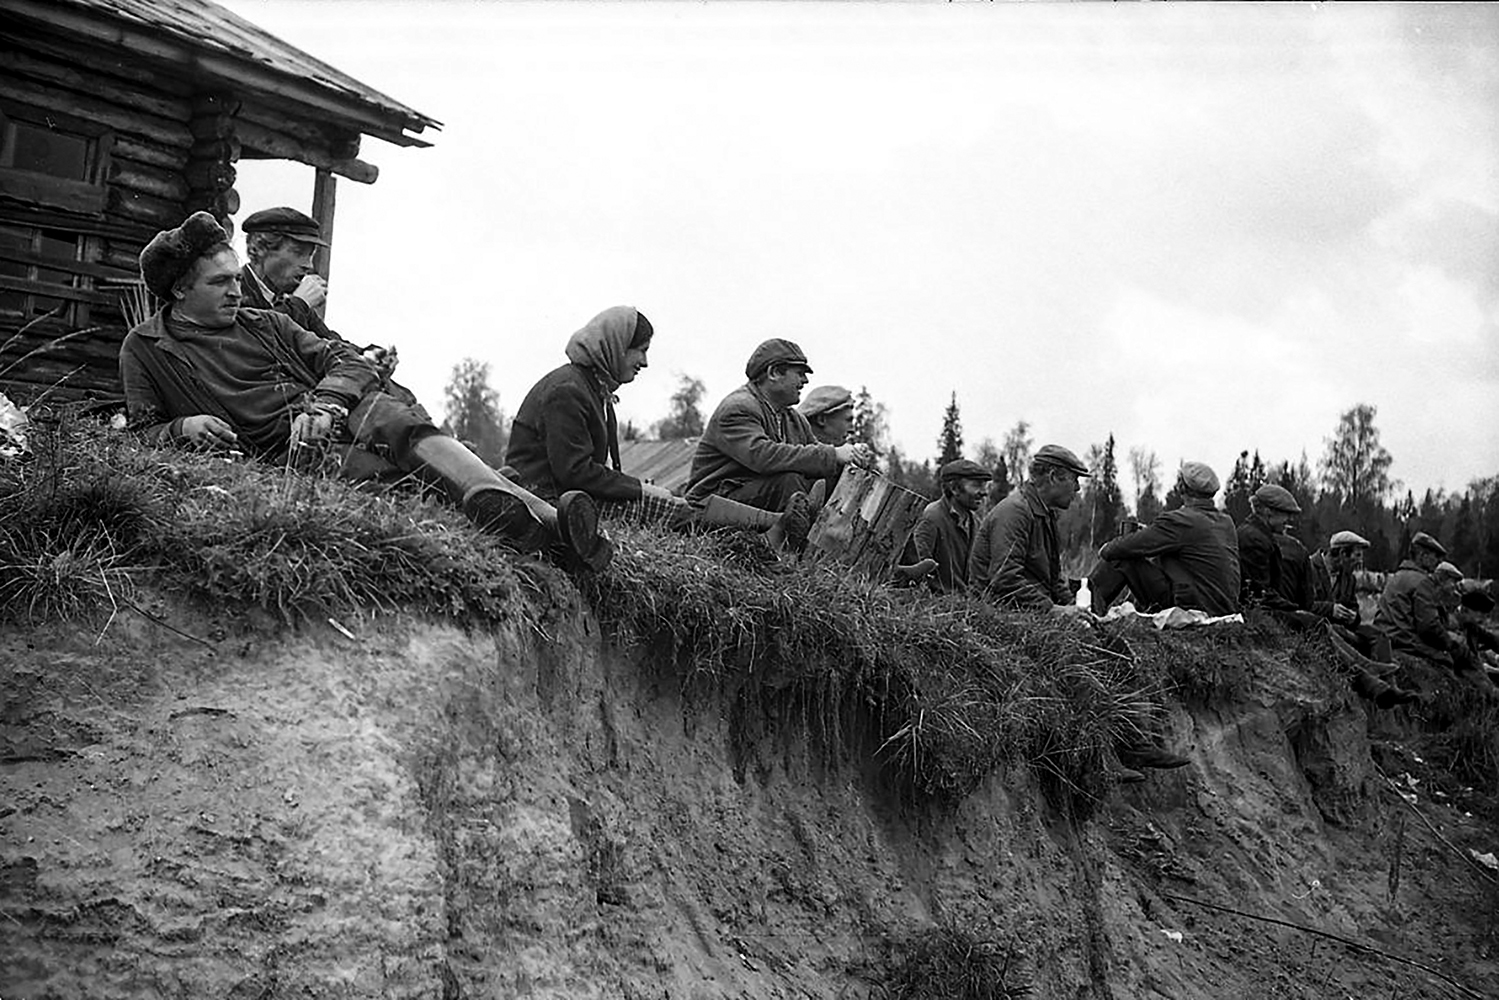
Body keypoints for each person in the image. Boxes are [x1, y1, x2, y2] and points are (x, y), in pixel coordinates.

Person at [119, 211, 611, 571]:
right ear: (180, 290)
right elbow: (142, 432)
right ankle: (549, 531)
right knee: (392, 477)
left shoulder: (266, 322)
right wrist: (184, 425)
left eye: (234, 278)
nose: (233, 291)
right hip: (282, 450)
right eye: (218, 282)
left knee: (392, 417)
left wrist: (329, 405)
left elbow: (346, 361)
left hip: (329, 414)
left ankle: (536, 512)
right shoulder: (144, 348)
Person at [506, 307, 809, 549]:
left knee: (672, 506)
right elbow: (574, 471)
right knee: (671, 510)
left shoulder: (593, 390)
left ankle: (769, 528)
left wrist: (637, 487)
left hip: (568, 494)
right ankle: (771, 527)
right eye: (640, 350)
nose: (645, 362)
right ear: (615, 346)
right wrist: (637, 487)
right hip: (544, 500)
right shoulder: (568, 391)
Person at [239, 207, 418, 409]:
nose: (308, 265)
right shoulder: (232, 290)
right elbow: (251, 346)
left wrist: (367, 357)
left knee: (400, 400)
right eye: (298, 253)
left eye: (310, 255)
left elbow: (328, 341)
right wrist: (299, 304)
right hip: (261, 412)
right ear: (261, 249)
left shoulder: (289, 299)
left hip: (296, 403)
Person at [686, 340, 873, 511]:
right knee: (789, 481)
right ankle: (795, 540)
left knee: (829, 472)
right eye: (800, 373)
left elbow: (814, 454)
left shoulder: (793, 419)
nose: (805, 381)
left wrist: (850, 458)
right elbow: (763, 456)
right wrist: (834, 454)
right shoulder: (738, 408)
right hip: (710, 502)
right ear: (774, 372)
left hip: (751, 494)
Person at [1088, 461, 1240, 617]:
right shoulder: (1226, 522)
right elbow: (1193, 545)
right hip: (1222, 608)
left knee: (1120, 556)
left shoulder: (1181, 520)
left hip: (1190, 607)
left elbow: (1129, 546)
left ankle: (1087, 610)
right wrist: (1151, 532)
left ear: (1181, 487)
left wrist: (1106, 548)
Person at [969, 445, 1089, 612]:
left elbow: (1054, 579)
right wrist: (1054, 610)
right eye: (1074, 479)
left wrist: (1074, 608)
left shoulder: (1046, 514)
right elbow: (1004, 579)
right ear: (1053, 477)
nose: (1077, 488)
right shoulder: (1015, 512)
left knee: (1101, 634)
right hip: (1001, 614)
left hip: (1030, 611)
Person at [1373, 532, 1469, 670]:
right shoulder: (1423, 582)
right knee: (1452, 660)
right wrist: (1450, 643)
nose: (1438, 562)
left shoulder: (1398, 576)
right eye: (1435, 557)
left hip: (1385, 637)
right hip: (1404, 641)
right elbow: (1429, 627)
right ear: (1423, 556)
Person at [902, 459, 991, 594]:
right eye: (976, 485)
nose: (984, 492)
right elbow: (917, 571)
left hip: (963, 606)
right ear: (954, 489)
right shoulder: (931, 518)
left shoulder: (975, 523)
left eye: (984, 486)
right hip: (937, 608)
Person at [1237, 483, 1302, 613]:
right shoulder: (1255, 540)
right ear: (1268, 511)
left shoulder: (1258, 535)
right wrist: (1293, 609)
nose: (1289, 520)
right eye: (1286, 514)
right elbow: (1259, 593)